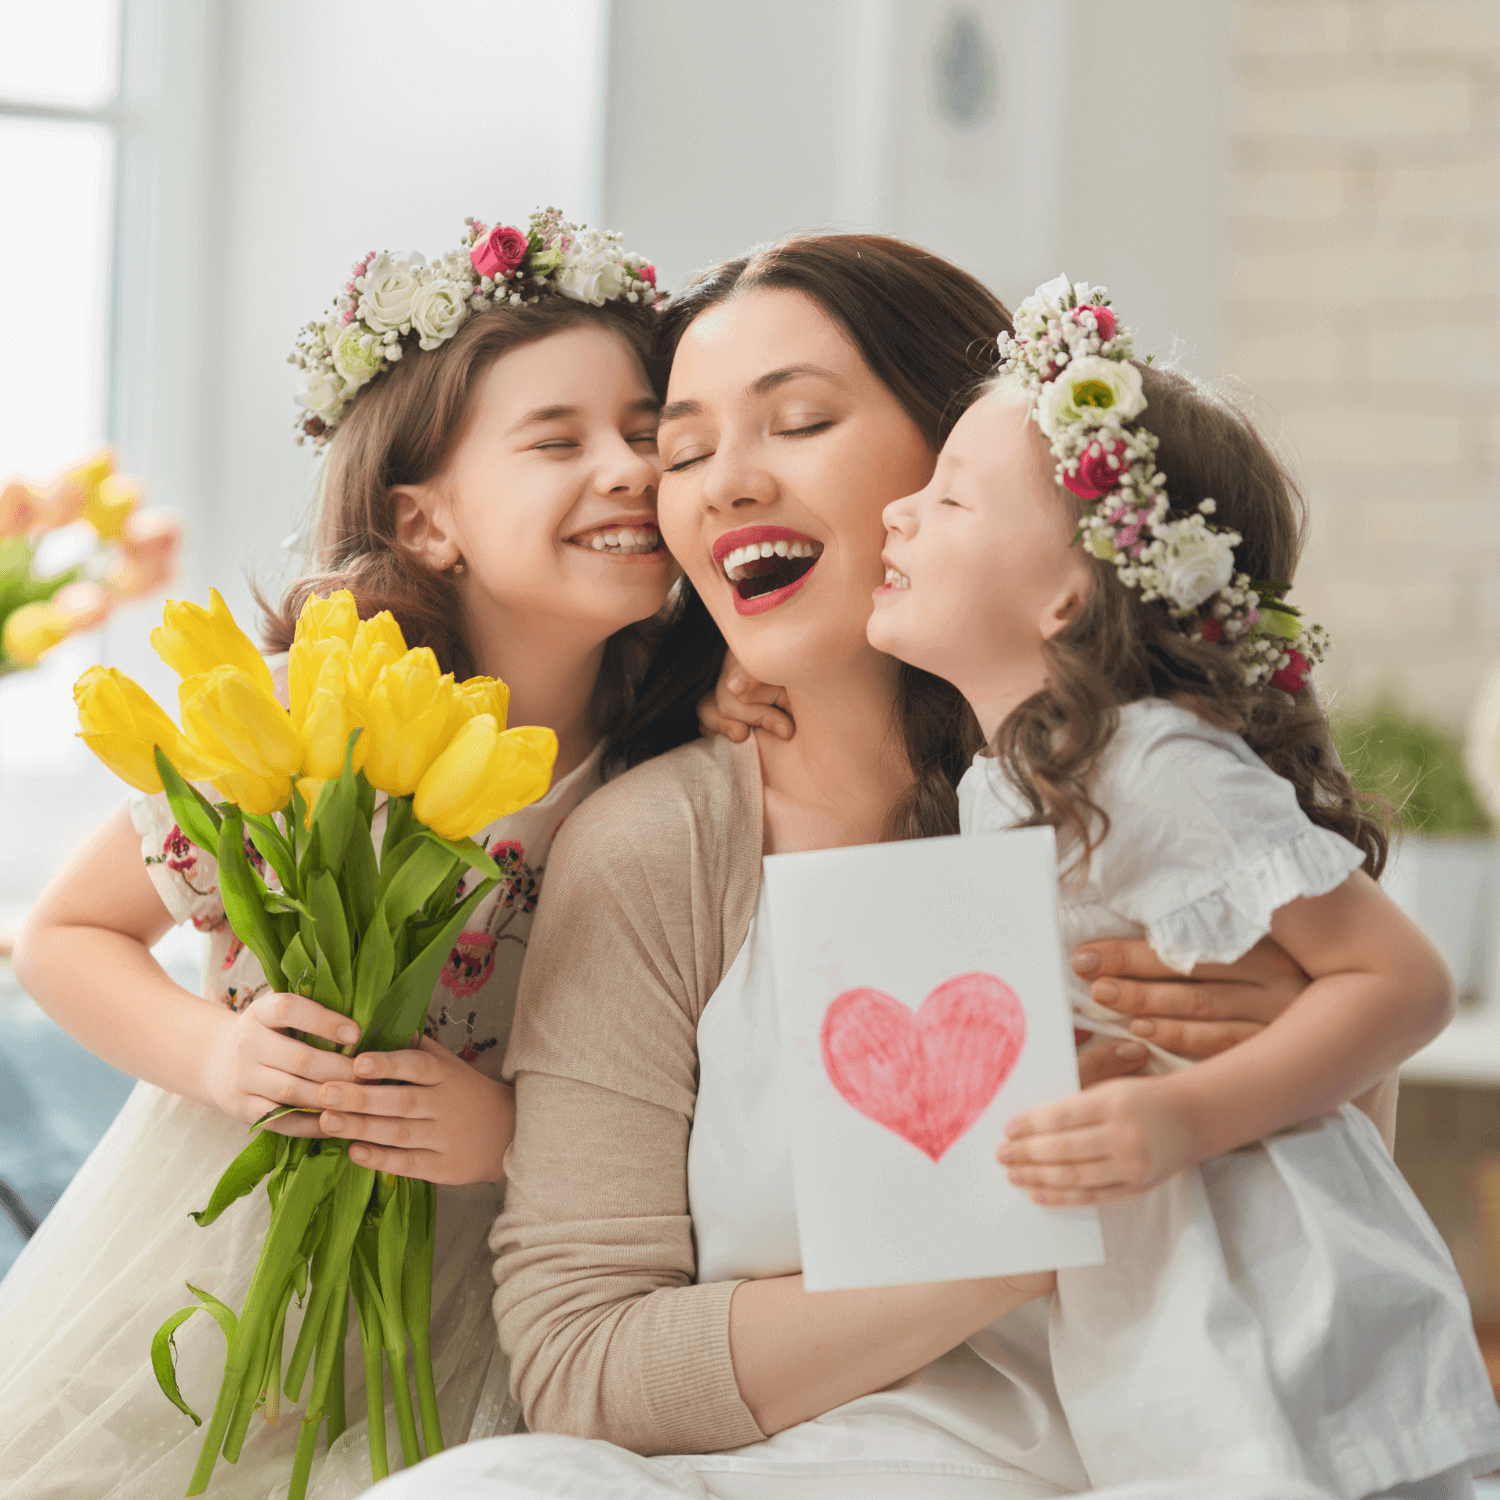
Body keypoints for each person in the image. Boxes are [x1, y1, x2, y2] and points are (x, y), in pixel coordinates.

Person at [370, 234, 1376, 1500]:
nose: (723, 483)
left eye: (796, 422)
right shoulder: (657, 848)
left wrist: (1309, 1049)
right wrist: (995, 1248)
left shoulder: (1157, 795)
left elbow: (1339, 1206)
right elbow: (583, 1360)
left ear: (966, 459)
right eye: (682, 453)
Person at [0, 210, 672, 1500]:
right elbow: (62, 938)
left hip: (476, 1296)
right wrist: (220, 1053)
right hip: (220, 1248)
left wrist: (517, 1137)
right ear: (427, 524)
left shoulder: (665, 771)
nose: (630, 469)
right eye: (559, 440)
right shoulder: (307, 715)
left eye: (649, 433)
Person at [865, 276, 1500, 1497]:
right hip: (1151, 1309)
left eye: (947, 495)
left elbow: (1403, 980)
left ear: (1068, 593)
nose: (897, 511)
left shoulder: (1151, 763)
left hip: (1279, 1297)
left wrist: (1183, 1120)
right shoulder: (1004, 785)